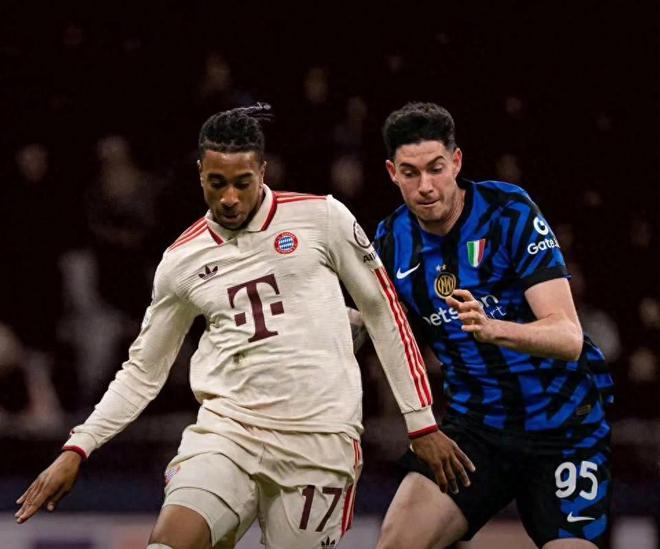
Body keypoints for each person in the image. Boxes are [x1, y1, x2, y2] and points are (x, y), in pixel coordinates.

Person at [14, 104, 459, 549]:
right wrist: (79, 447)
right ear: (200, 174)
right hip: (229, 433)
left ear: (262, 172)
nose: (229, 197)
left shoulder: (322, 218)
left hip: (320, 442)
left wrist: (421, 422)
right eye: (216, 182)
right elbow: (143, 370)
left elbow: (383, 312)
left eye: (242, 183)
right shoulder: (181, 261)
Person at [370, 102, 614, 549]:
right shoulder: (390, 240)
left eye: (435, 168)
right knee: (397, 544)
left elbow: (568, 337)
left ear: (456, 161)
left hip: (563, 428)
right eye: (410, 173)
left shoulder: (509, 213)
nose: (426, 187)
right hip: (476, 430)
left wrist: (493, 327)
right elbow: (378, 327)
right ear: (392, 172)